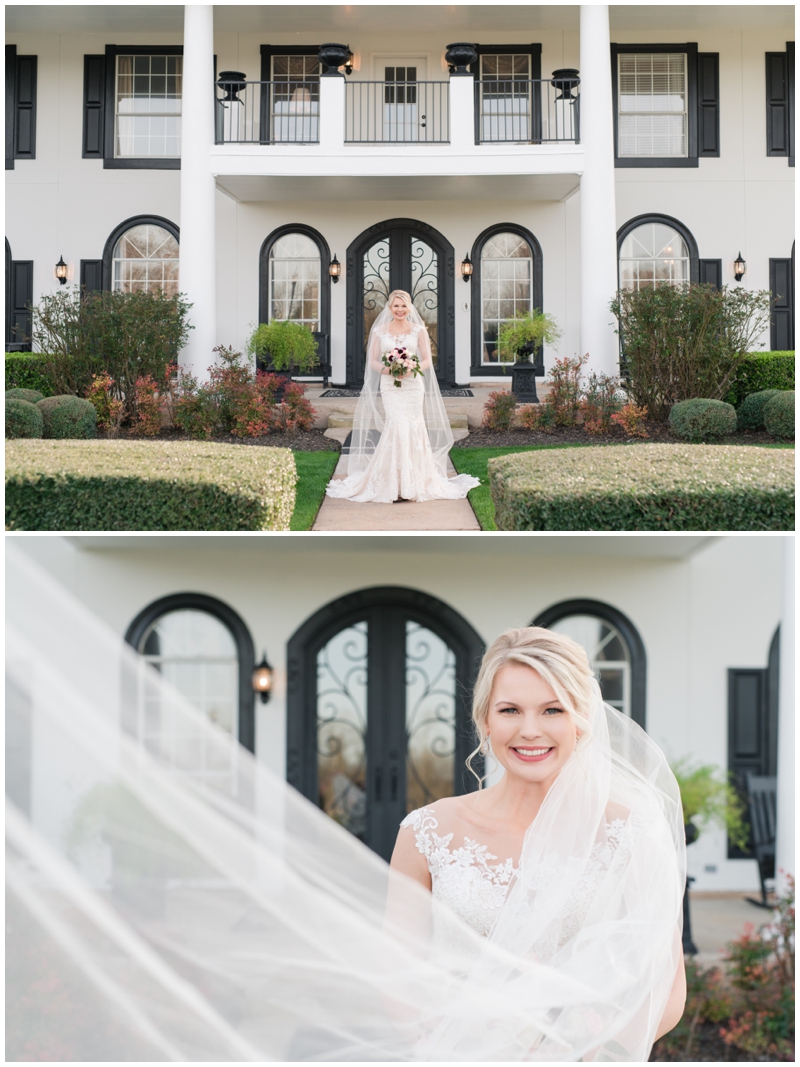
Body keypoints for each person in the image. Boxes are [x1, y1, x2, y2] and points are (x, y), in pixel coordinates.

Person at [390, 626, 687, 1060]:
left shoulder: (632, 834)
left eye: (552, 710)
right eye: (510, 710)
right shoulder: (426, 833)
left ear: (582, 719)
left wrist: (582, 1046)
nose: (530, 730)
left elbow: (666, 988)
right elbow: (397, 975)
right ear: (485, 720)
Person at [325, 290, 480, 503]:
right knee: (396, 425)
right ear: (389, 307)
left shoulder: (419, 331)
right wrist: (390, 370)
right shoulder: (379, 331)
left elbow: (427, 360)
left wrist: (411, 367)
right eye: (396, 306)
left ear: (409, 308)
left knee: (414, 426)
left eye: (403, 306)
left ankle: (415, 481)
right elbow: (373, 361)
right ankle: (393, 482)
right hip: (390, 386)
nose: (400, 310)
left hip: (413, 386)